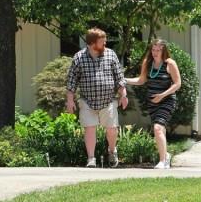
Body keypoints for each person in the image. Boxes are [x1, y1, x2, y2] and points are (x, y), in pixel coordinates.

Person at [66, 28, 128, 168]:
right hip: (87, 101)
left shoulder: (110, 55)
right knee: (89, 128)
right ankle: (91, 158)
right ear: (92, 43)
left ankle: (112, 151)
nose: (105, 43)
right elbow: (71, 81)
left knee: (112, 129)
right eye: (102, 42)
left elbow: (119, 77)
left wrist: (123, 94)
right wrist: (70, 100)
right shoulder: (79, 57)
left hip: (109, 100)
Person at [126, 39, 181, 169]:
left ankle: (162, 161)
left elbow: (178, 84)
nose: (155, 53)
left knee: (157, 128)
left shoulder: (169, 63)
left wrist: (162, 95)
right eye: (153, 50)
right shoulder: (148, 63)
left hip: (167, 100)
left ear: (164, 51)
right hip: (152, 103)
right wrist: (124, 80)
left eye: (158, 50)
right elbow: (141, 80)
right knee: (160, 129)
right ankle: (165, 156)